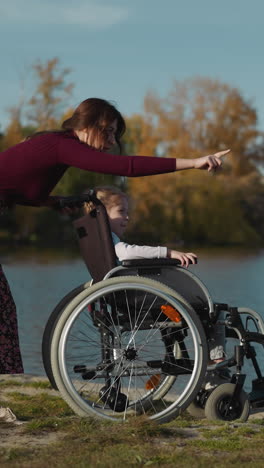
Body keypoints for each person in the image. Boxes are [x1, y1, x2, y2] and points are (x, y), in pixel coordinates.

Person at [0, 97, 229, 419]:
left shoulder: (52, 146)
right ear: (91, 125)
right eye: (108, 134)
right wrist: (193, 162)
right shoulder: (60, 146)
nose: (110, 144)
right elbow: (128, 168)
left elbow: (20, 190)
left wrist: (55, 202)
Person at [83, 185, 226, 365]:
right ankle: (215, 357)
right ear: (103, 214)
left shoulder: (96, 238)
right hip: (137, 299)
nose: (127, 217)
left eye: (127, 212)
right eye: (121, 211)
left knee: (185, 304)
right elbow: (126, 253)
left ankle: (188, 354)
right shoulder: (109, 239)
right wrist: (168, 253)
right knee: (210, 309)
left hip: (124, 297)